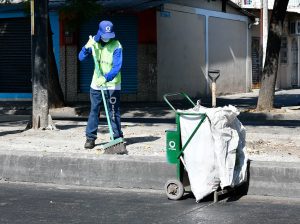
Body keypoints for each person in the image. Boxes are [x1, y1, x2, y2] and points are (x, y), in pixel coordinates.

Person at [78, 20, 123, 149]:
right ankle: (90, 138)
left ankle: (117, 138)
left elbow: (117, 67)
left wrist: (106, 78)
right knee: (94, 111)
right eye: (105, 35)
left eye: (110, 35)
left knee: (113, 112)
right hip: (96, 85)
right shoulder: (94, 44)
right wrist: (87, 47)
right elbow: (81, 57)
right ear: (100, 33)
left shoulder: (117, 45)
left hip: (112, 84)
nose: (107, 38)